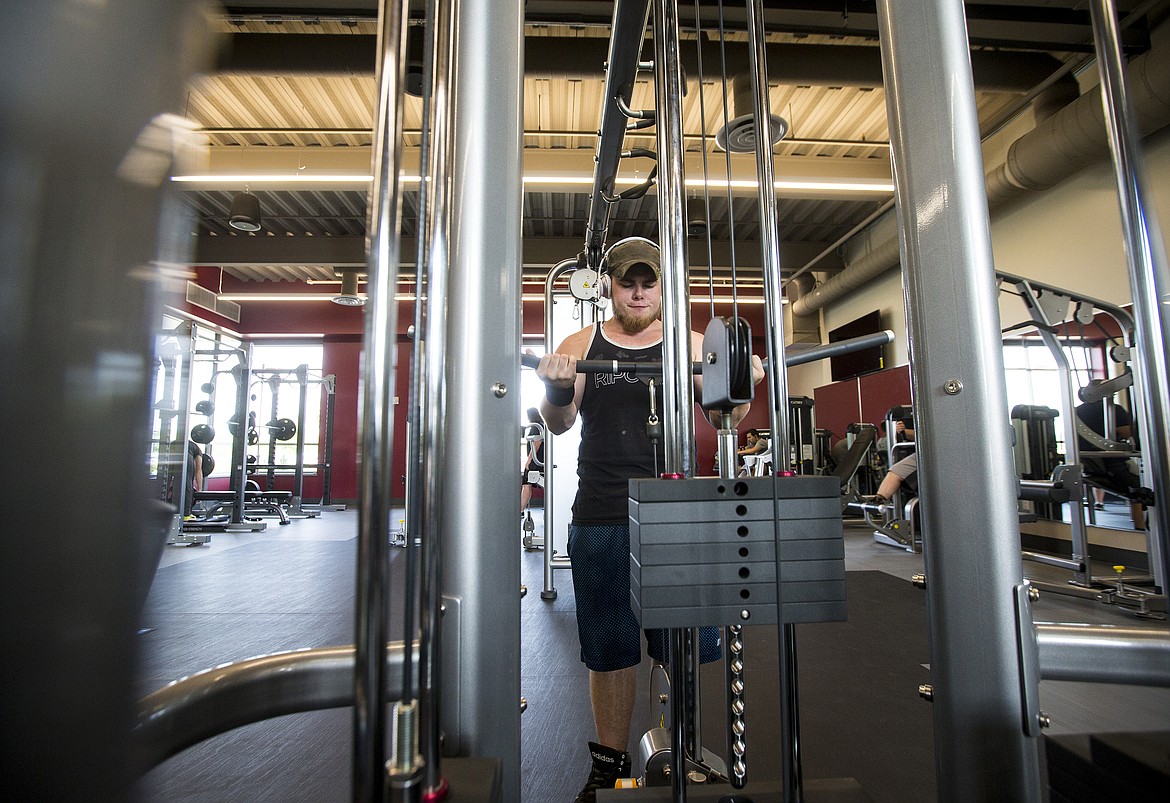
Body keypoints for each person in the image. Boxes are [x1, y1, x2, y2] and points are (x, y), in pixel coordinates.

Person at [535, 238, 762, 803]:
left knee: (681, 642)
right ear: (610, 287)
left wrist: (743, 379)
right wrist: (557, 388)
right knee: (610, 651)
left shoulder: (689, 345)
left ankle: (678, 746)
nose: (638, 293)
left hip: (677, 515)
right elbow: (559, 423)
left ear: (663, 288)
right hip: (603, 514)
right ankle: (610, 764)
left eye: (649, 283)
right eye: (627, 283)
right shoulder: (580, 343)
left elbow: (725, 412)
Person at [1075, 380, 1147, 529]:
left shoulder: (1075, 411)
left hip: (1089, 464)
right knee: (1144, 487)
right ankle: (1141, 529)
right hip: (1113, 463)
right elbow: (1129, 435)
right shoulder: (1114, 409)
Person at [520, 407, 545, 522]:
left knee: (526, 485)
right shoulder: (541, 425)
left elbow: (536, 444)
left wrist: (528, 461)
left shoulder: (536, 427)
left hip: (535, 462)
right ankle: (520, 510)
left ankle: (520, 510)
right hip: (539, 461)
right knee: (527, 485)